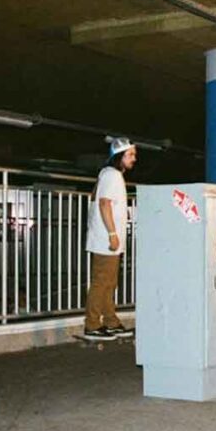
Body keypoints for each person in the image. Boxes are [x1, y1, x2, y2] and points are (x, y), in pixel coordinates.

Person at [82, 137, 137, 341]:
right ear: (119, 156)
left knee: (109, 283)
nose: (134, 159)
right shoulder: (112, 175)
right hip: (106, 240)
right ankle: (92, 325)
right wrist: (113, 234)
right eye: (130, 155)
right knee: (102, 282)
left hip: (108, 239)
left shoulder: (109, 175)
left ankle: (111, 322)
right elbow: (104, 204)